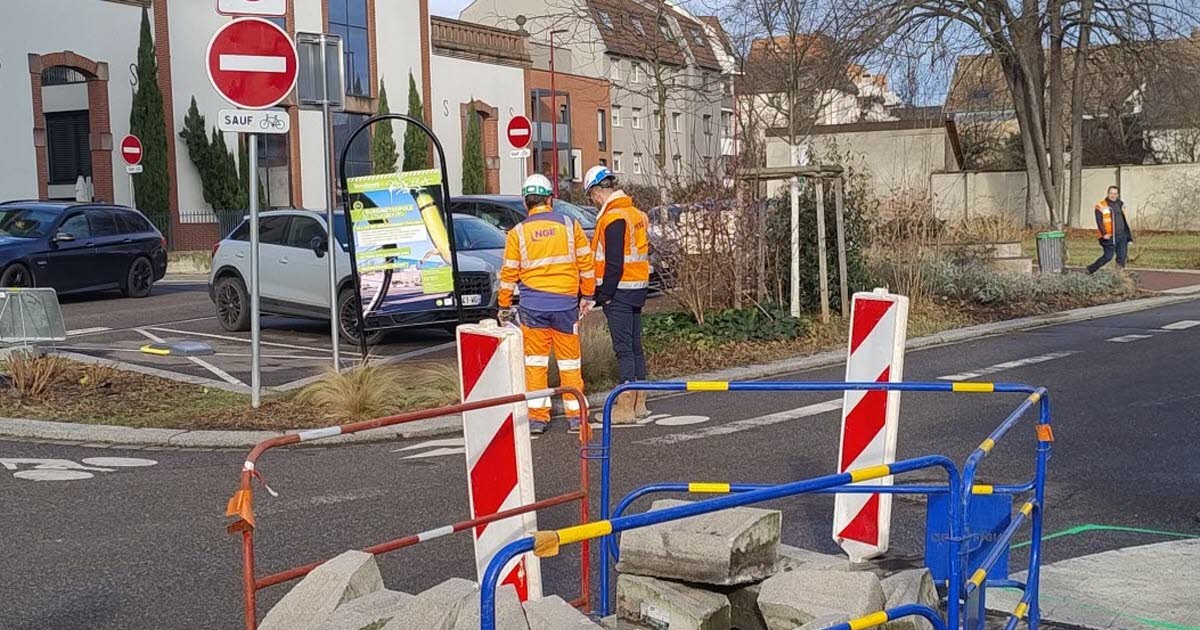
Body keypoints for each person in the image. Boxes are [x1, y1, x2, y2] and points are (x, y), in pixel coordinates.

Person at [497, 174, 595, 434]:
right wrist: (587, 295)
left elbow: (508, 275)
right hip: (565, 306)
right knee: (570, 363)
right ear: (550, 199)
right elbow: (586, 264)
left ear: (525, 202)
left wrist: (504, 305)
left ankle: (538, 418)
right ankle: (577, 417)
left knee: (536, 363)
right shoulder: (569, 225)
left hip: (533, 309)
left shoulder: (517, 233)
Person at [583, 165, 651, 424]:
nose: (593, 201)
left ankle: (624, 408)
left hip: (619, 291)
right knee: (635, 348)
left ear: (596, 192)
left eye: (592, 196)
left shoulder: (613, 218)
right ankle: (640, 403)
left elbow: (614, 262)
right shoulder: (635, 213)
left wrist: (603, 295)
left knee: (623, 350)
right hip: (637, 288)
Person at [1087, 185, 1134, 274]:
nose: (1113, 195)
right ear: (1108, 194)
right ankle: (1090, 269)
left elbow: (1123, 220)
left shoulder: (1121, 204)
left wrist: (1128, 235)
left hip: (1122, 235)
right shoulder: (1101, 205)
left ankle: (1118, 276)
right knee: (1108, 257)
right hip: (1109, 236)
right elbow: (1099, 221)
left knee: (1122, 257)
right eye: (1111, 193)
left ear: (1118, 194)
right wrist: (1104, 233)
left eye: (1115, 193)